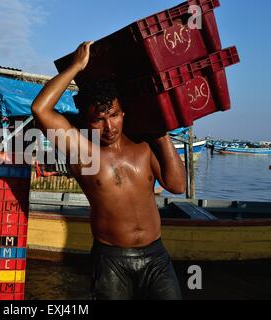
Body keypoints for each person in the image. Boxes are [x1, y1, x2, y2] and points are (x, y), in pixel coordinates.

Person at [31, 42, 187, 300]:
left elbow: (177, 186)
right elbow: (40, 109)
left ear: (123, 112)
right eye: (98, 120)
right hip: (112, 259)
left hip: (156, 256)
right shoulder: (82, 151)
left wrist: (161, 133)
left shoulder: (144, 145)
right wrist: (76, 67)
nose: (109, 126)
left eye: (113, 115)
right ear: (86, 121)